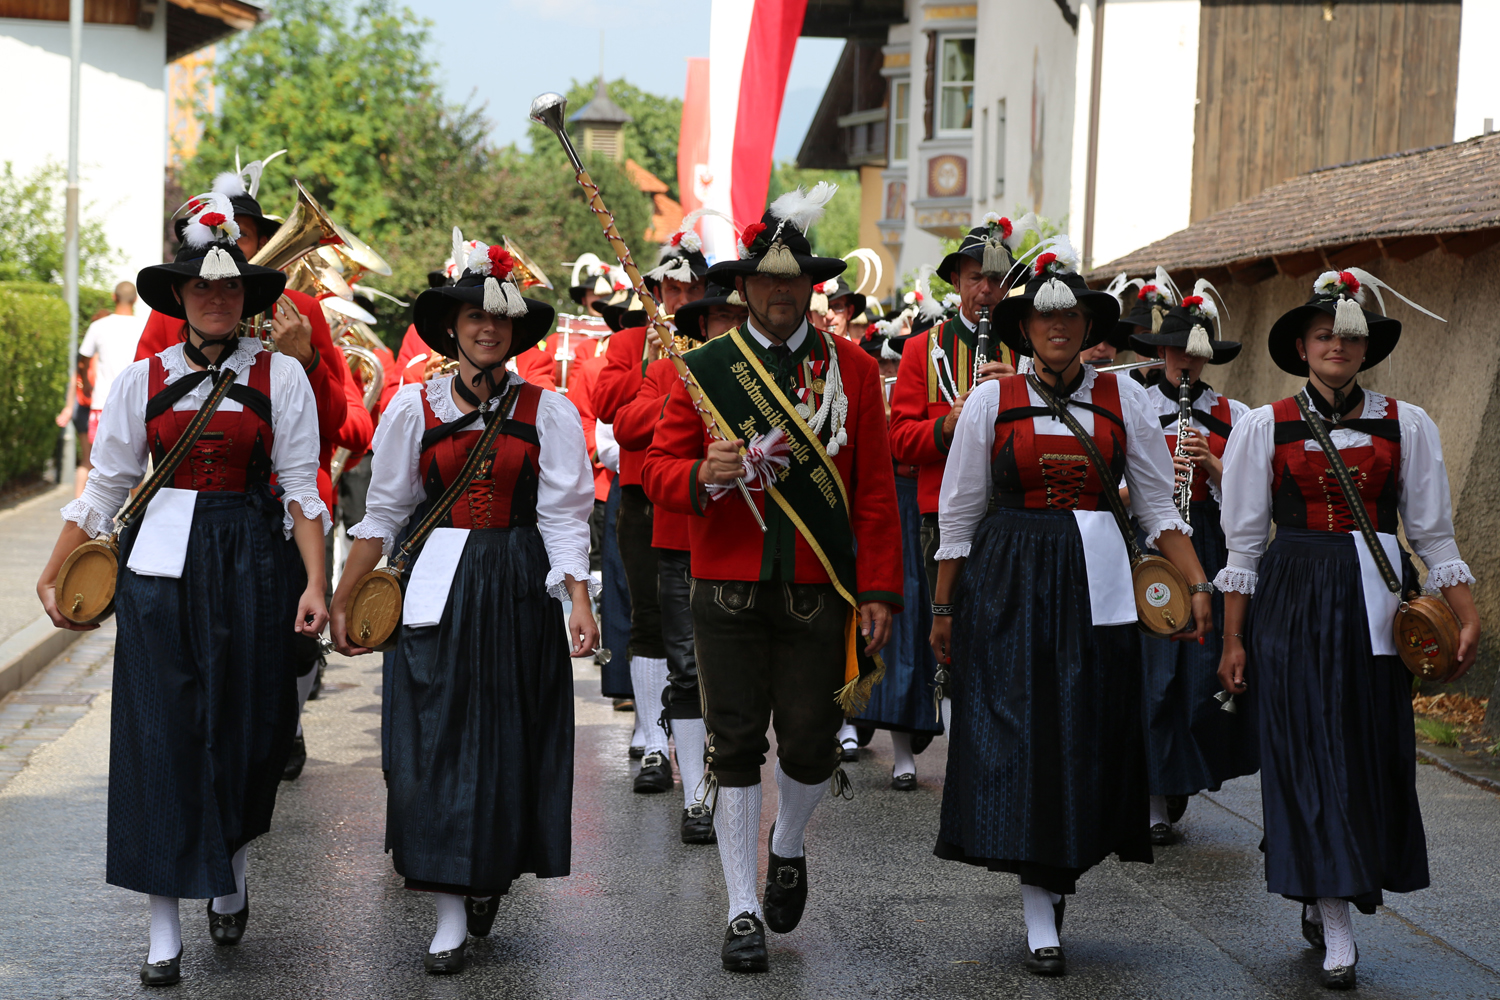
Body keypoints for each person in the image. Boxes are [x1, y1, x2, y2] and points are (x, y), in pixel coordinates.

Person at [36, 203, 327, 987]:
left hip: (252, 565)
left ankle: (229, 867)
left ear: (246, 299)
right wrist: (58, 563)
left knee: (247, 728)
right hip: (158, 572)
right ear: (180, 297)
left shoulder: (283, 376)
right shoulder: (143, 380)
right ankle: (163, 930)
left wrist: (319, 586)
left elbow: (301, 490)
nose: (216, 300)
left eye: (230, 290)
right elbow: (106, 487)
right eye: (202, 289)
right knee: (160, 737)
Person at [929, 238, 1211, 978]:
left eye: (1073, 317)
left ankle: (1058, 879)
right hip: (1010, 578)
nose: (1058, 327)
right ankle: (1036, 902)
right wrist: (943, 608)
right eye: (1045, 317)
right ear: (1025, 330)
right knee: (1021, 732)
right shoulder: (991, 399)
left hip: (1098, 582)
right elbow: (958, 513)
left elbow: (1157, 508)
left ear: (1089, 328)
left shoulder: (1127, 401)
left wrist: (1199, 585)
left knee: (1082, 730)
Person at [643, 185, 902, 974]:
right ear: (745, 288)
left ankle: (786, 846)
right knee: (733, 745)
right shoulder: (708, 369)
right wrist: (701, 474)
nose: (780, 293)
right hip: (726, 584)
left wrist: (883, 590)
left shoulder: (852, 369)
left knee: (813, 743)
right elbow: (655, 469)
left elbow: (874, 490)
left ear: (810, 287)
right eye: (765, 281)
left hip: (820, 588)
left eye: (794, 282)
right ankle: (742, 907)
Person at [332, 231, 598, 975]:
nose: (486, 327)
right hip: (435, 587)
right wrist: (344, 596)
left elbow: (564, 516)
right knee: (432, 744)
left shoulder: (549, 411)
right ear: (452, 326)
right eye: (473, 316)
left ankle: (489, 870)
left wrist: (577, 600)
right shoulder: (411, 407)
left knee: (510, 739)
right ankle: (449, 908)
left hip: (517, 583)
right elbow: (382, 513)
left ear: (514, 332)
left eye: (500, 319)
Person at [1214, 269, 1479, 991]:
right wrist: (1234, 640)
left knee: (1362, 755)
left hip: (1377, 609)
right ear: (1301, 346)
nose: (1338, 344)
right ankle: (1336, 924)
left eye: (1350, 336)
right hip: (1293, 599)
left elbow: (1432, 532)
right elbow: (1241, 546)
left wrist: (1468, 613)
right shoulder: (1263, 427)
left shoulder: (1407, 424)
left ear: (1367, 349)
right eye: (1325, 334)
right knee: (1308, 752)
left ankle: (1323, 878)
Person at [612, 280, 746, 843]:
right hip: (680, 536)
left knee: (738, 677)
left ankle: (731, 786)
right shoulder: (672, 370)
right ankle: (696, 797)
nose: (725, 327)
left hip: (744, 540)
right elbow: (624, 426)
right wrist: (681, 398)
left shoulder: (768, 376)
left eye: (733, 316)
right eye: (715, 318)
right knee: (687, 668)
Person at [1126, 289, 1259, 844]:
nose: (1186, 360)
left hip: (1210, 538)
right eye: (1176, 350)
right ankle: (1154, 795)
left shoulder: (1237, 416)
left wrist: (1215, 465)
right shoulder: (1133, 405)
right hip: (1152, 545)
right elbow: (1119, 483)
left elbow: (1254, 503)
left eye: (1196, 352)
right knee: (1155, 671)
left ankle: (1178, 778)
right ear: (1160, 351)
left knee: (1200, 676)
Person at [887, 216, 1025, 743]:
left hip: (1015, 514)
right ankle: (970, 746)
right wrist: (949, 423)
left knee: (1010, 637)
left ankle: (1003, 743)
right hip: (942, 517)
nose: (986, 290)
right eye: (975, 279)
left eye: (995, 280)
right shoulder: (925, 348)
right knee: (958, 637)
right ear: (957, 283)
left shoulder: (1026, 352)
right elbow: (900, 442)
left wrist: (1019, 394)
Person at [592, 216, 711, 792]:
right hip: (643, 494)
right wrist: (662, 377)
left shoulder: (718, 341)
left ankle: (702, 736)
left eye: (693, 290)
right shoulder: (628, 342)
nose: (682, 298)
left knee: (709, 622)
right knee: (648, 620)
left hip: (709, 492)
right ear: (657, 289)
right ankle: (649, 741)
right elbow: (614, 412)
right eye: (674, 289)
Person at [850, 321, 942, 787]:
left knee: (926, 628)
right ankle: (877, 735)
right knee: (893, 630)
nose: (890, 367)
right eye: (887, 359)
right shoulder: (864, 385)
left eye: (896, 359)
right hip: (887, 502)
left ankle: (915, 731)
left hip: (925, 501)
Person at [78, 281, 147, 461]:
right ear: (136, 300)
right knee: (133, 463)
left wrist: (86, 383)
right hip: (136, 405)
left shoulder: (98, 326)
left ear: (113, 297)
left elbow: (83, 361)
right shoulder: (144, 328)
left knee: (100, 462)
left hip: (102, 403)